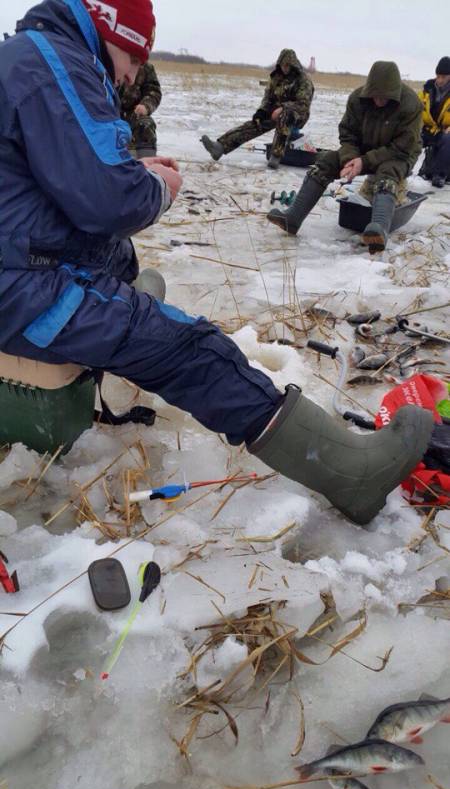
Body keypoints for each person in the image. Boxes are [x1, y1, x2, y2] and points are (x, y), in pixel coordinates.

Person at [0, 2, 433, 526]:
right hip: (23, 287)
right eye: (135, 59)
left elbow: (49, 179)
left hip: (19, 263)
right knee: (191, 347)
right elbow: (110, 203)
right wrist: (157, 187)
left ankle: (120, 323)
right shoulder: (55, 63)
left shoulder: (26, 55)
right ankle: (349, 472)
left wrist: (129, 167)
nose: (132, 75)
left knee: (123, 267)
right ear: (112, 32)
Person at [268, 61, 423, 252]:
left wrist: (363, 162)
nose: (379, 101)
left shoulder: (411, 105)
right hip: (362, 152)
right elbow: (348, 134)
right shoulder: (357, 99)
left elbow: (403, 146)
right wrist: (350, 159)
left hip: (399, 155)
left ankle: (379, 230)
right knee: (325, 162)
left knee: (387, 172)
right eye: (375, 96)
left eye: (384, 98)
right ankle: (293, 218)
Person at [200, 49, 314, 170]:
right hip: (277, 112)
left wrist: (283, 108)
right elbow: (268, 98)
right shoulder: (276, 77)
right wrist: (262, 111)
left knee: (285, 115)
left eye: (287, 65)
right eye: (282, 65)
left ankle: (276, 155)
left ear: (293, 65)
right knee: (256, 123)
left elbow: (303, 104)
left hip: (297, 115)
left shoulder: (303, 79)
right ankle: (219, 147)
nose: (284, 68)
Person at [418, 57, 450, 188]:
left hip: (444, 133)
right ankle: (401, 170)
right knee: (408, 137)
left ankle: (439, 175)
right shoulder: (426, 91)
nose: (440, 80)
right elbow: (414, 111)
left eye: (443, 76)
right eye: (438, 76)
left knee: (449, 139)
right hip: (427, 130)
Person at [118, 60, 162, 157]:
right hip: (107, 113)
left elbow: (154, 92)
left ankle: (147, 163)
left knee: (146, 124)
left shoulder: (146, 68)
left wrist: (145, 106)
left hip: (132, 114)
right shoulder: (108, 59)